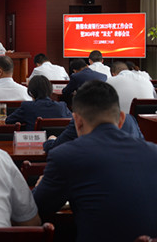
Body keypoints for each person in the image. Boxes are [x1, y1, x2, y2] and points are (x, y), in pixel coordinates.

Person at [33, 81, 157, 241]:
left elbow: (36, 208)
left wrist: (40, 186)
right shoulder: (153, 152)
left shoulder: (65, 156)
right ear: (121, 119)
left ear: (77, 121)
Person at [43, 113, 143, 153]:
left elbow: (55, 147)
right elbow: (142, 142)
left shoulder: (81, 120)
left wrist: (51, 140)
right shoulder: (130, 119)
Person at [5, 75, 72, 131]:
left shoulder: (27, 107)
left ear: (31, 92)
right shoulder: (62, 106)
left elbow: (9, 120)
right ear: (50, 90)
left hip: (34, 142)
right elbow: (72, 121)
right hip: (59, 142)